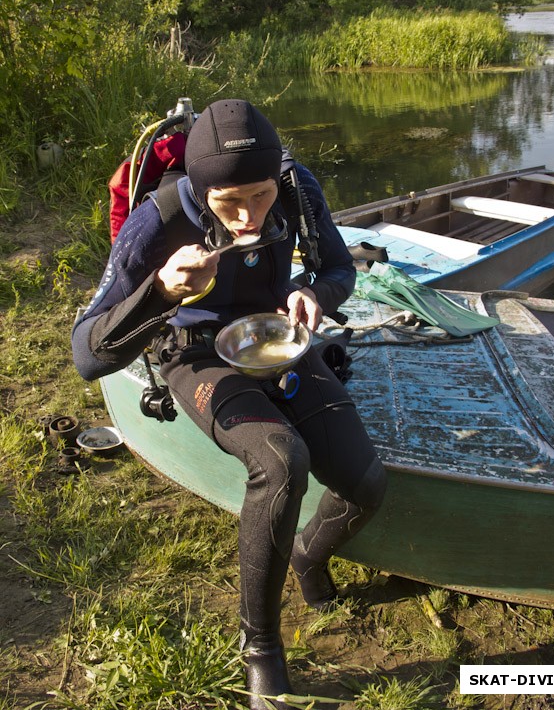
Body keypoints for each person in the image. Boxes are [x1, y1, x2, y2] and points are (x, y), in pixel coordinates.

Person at [72, 99, 387, 710]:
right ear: (199, 188)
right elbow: (88, 353)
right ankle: (261, 648)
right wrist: (161, 290)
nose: (248, 218)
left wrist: (310, 290)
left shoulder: (295, 186)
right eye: (229, 203)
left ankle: (304, 555)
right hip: (194, 353)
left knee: (365, 484)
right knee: (281, 461)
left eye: (260, 197)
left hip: (276, 337)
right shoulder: (156, 220)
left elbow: (340, 268)